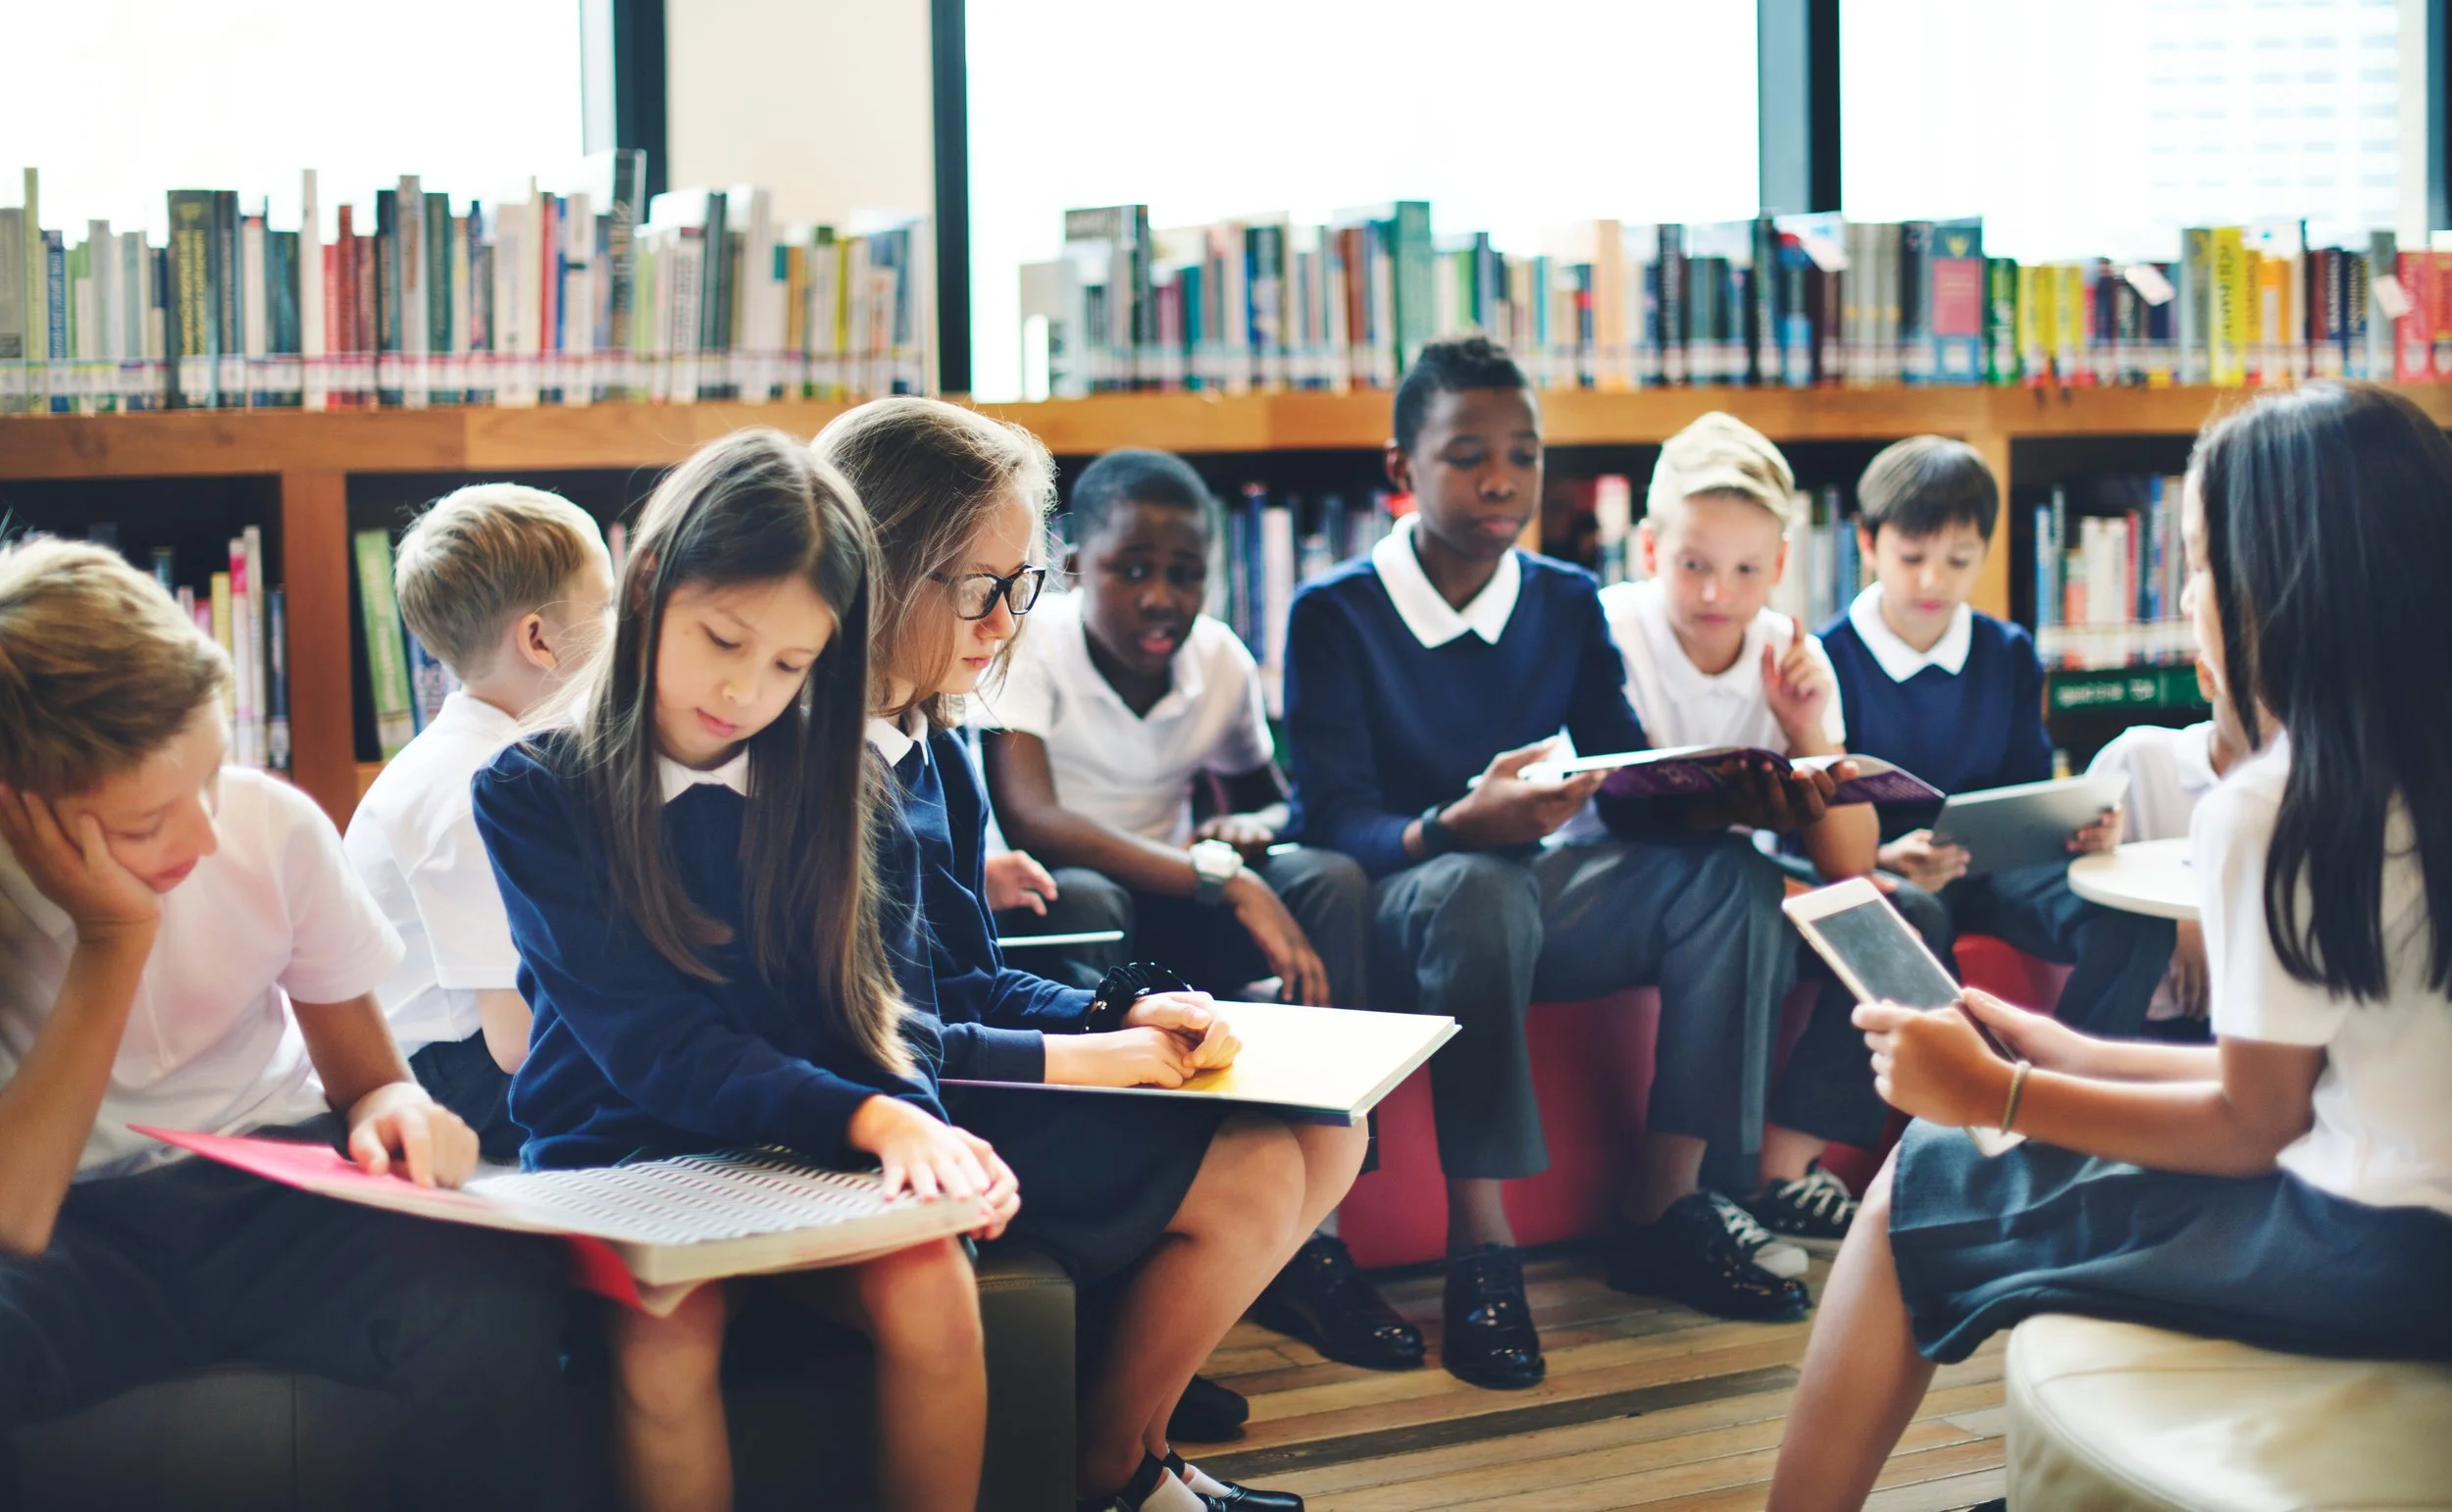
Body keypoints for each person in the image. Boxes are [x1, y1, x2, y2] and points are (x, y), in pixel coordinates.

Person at [1765, 381, 2452, 1511]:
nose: (2187, 598)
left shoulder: (2278, 803)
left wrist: (2000, 1092)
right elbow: (2316, 1086)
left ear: (2266, 593)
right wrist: (2057, 1050)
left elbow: (2253, 1124)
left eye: (2193, 563)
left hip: (2376, 1249)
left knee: (1921, 1180)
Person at [818, 397, 1354, 1512]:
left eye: (1022, 587)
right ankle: (1106, 1466)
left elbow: (968, 970)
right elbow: (882, 1036)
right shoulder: (822, 776)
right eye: (977, 588)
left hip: (968, 1075)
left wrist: (1124, 1010)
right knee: (1255, 1169)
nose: (1005, 621)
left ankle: (1142, 1447)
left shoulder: (937, 742)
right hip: (897, 1115)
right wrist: (1078, 1059)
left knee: (1328, 1130)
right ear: (876, 566)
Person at [1284, 336, 1843, 1389]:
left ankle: (1665, 1204)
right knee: (1481, 888)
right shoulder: (1335, 614)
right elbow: (1333, 820)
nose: (1501, 477)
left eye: (1523, 453)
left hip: (1535, 895)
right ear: (1402, 473)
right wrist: (1458, 822)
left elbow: (1622, 787)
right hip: (1416, 893)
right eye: (1466, 454)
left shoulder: (1559, 599)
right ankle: (1480, 1248)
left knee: (1731, 875)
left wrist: (1729, 796)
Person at [472, 430, 1014, 1512]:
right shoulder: (533, 791)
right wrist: (878, 1125)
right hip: (616, 1152)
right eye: (723, 638)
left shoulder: (844, 778)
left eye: (790, 665)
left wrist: (920, 1128)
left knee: (935, 1293)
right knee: (668, 1341)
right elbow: (653, 1048)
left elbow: (884, 1006)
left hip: (801, 1147)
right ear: (646, 589)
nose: (744, 690)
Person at [0, 537, 572, 1510]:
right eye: (146, 825)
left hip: (272, 1186)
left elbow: (368, 1076)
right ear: (24, 811)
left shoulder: (270, 825)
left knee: (495, 1299)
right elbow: (14, 1216)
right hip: (71, 1223)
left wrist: (401, 1113)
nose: (203, 837)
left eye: (211, 777)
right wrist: (112, 940)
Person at [976, 447, 1414, 1376]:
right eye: (1130, 570)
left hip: (1176, 895)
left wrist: (1241, 837)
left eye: (1184, 574)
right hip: (1074, 902)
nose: (1159, 598)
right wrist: (1219, 876)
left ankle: (1318, 1240)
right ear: (1076, 566)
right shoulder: (1033, 640)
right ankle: (1128, 1243)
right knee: (1084, 896)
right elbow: (1034, 816)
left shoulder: (1219, 659)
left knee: (1329, 876)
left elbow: (1274, 801)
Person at [1585, 413, 1950, 1261]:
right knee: (1733, 874)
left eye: (1747, 570)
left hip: (1738, 888)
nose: (1717, 594)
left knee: (1904, 920)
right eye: (1693, 566)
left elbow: (1847, 862)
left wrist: (1812, 733)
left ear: (1781, 567)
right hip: (1623, 889)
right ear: (1648, 552)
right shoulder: (1609, 630)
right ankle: (1694, 1191)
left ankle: (1784, 1170)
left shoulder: (1787, 649)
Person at [1819, 435, 2175, 1038]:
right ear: (1867, 542)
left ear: (1984, 553)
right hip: (1892, 876)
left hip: (1996, 870)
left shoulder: (2005, 651)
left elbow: (2028, 790)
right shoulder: (1829, 660)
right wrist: (1878, 858)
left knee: (2135, 921)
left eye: (1959, 561)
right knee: (1913, 915)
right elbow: (1808, 819)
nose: (1933, 581)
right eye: (1911, 557)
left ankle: (2064, 1092)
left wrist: (2079, 829)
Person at [345, 483, 613, 1160]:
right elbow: (517, 1041)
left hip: (478, 1053)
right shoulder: (474, 788)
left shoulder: (515, 757)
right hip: (444, 1075)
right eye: (606, 606)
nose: (623, 631)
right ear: (538, 639)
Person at [2085, 662, 2253, 1034]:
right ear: (2207, 678)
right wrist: (2173, 919)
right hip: (2147, 1021)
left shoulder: (2314, 779)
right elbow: (2071, 885)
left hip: (2260, 1024)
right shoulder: (2138, 756)